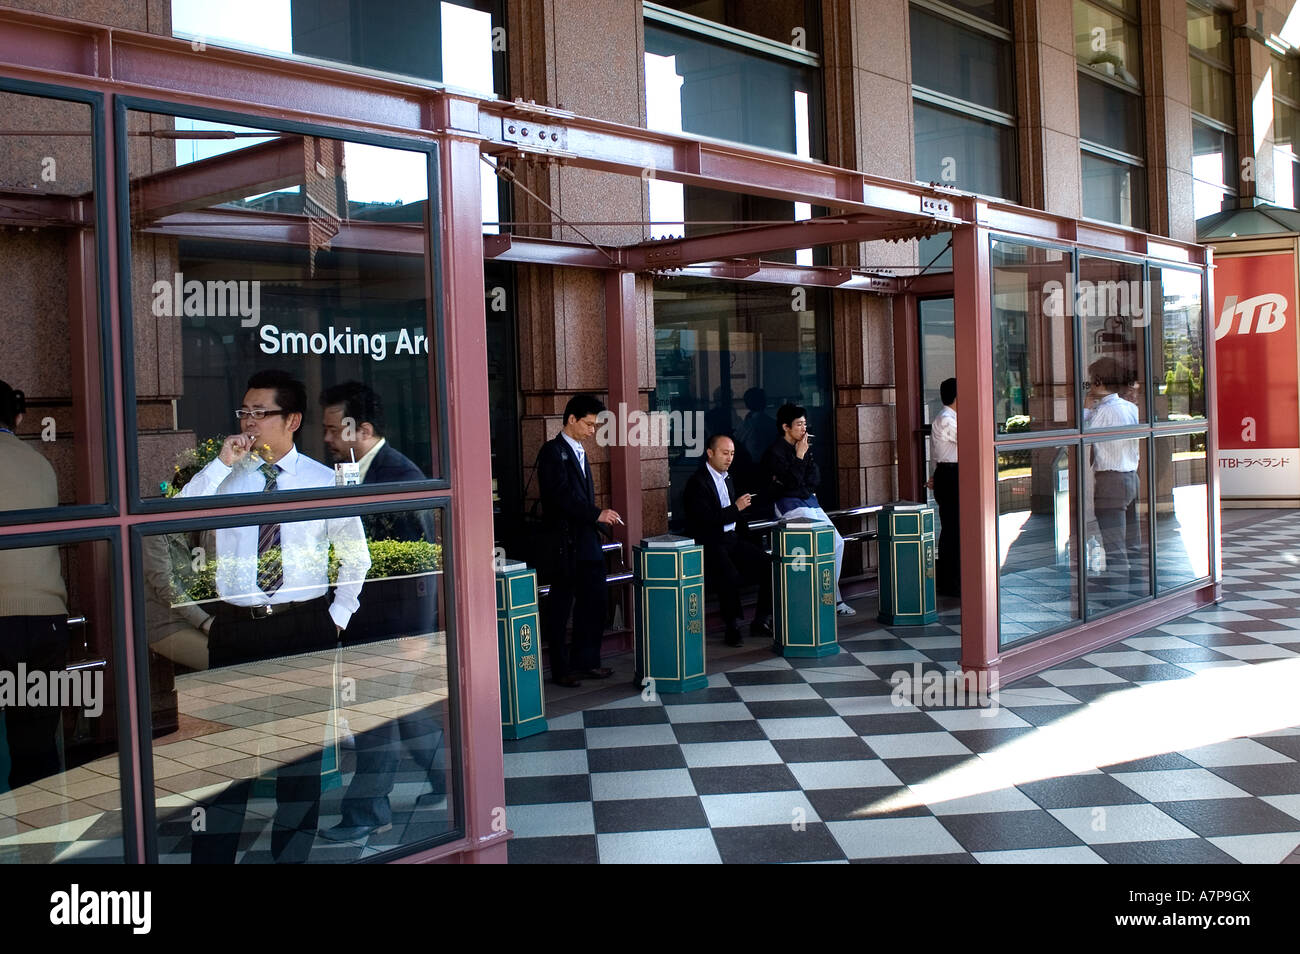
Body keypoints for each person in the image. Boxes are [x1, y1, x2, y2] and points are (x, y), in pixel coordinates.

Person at [176, 369, 371, 863]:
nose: (249, 421)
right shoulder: (227, 476)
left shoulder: (321, 480)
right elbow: (177, 518)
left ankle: (291, 857)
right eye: (244, 411)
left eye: (260, 413)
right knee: (224, 762)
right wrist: (220, 464)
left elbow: (356, 556)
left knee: (298, 762)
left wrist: (337, 618)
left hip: (302, 625)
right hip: (237, 628)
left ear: (292, 420)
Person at [317, 381, 445, 842]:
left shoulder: (399, 476)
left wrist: (417, 632)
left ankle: (367, 813)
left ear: (362, 428)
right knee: (401, 710)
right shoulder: (352, 469)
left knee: (374, 719)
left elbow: (419, 564)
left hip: (394, 626)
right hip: (370, 622)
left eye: (334, 430)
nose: (327, 439)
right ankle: (446, 777)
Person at [0, 380, 70, 791]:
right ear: (20, 417)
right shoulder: (41, 463)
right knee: (36, 744)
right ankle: (41, 840)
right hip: (46, 621)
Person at [536, 394, 622, 688]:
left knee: (595, 602)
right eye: (588, 423)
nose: (592, 430)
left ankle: (587, 661)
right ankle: (561, 670)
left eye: (595, 425)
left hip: (587, 541)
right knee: (561, 607)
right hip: (565, 543)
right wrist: (598, 513)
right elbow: (560, 497)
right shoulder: (552, 452)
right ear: (571, 419)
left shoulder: (580, 450)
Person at [761, 403, 855, 616]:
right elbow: (790, 482)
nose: (804, 429)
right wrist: (799, 458)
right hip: (786, 503)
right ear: (786, 427)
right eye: (799, 424)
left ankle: (829, 592)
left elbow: (814, 478)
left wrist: (800, 477)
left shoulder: (804, 446)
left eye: (805, 424)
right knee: (813, 543)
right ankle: (823, 596)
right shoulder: (775, 452)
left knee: (837, 542)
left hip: (808, 499)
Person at [682, 434, 773, 646]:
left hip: (732, 538)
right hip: (710, 541)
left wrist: (747, 533)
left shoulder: (728, 477)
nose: (729, 458)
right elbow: (705, 521)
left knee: (769, 565)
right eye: (724, 453)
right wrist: (736, 508)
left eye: (732, 453)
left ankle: (761, 620)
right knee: (728, 574)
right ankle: (732, 626)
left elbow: (736, 518)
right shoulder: (697, 483)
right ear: (710, 453)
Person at [1084, 357, 1141, 589]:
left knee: (1114, 543)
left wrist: (1086, 406)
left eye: (1090, 381)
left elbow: (1082, 434)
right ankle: (1137, 585)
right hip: (1130, 477)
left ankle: (1117, 594)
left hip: (1111, 481)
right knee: (1130, 540)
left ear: (1099, 381)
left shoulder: (1105, 411)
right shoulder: (1130, 407)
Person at [929, 378, 960, 597]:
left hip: (950, 474)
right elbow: (970, 439)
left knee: (955, 529)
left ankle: (953, 580)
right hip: (950, 475)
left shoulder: (951, 418)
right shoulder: (947, 420)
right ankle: (951, 582)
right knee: (952, 530)